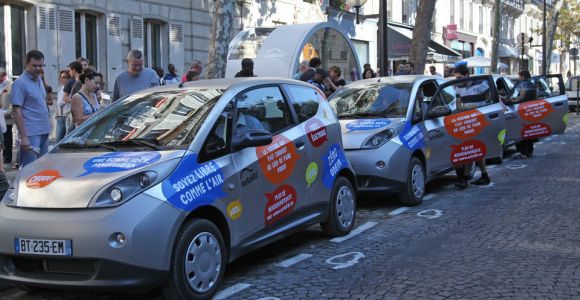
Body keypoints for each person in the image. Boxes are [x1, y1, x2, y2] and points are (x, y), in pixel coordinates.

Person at [10, 50, 52, 167]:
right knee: (28, 170)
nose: (38, 68)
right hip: (31, 133)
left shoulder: (39, 79)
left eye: (41, 65)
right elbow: (16, 110)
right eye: (35, 65)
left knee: (42, 169)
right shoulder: (19, 83)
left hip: (44, 130)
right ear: (26, 64)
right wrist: (23, 137)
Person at [453, 63, 491, 188]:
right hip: (466, 121)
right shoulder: (458, 88)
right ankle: (473, 175)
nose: (457, 80)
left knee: (476, 147)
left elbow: (490, 99)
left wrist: (474, 108)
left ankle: (470, 176)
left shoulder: (481, 84)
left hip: (479, 119)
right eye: (456, 78)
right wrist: (469, 107)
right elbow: (458, 106)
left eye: (459, 77)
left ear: (466, 75)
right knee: (470, 148)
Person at [514, 70, 537, 158]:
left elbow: (521, 97)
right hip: (532, 109)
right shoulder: (532, 84)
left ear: (523, 76)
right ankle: (530, 150)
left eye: (519, 76)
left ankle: (524, 152)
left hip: (523, 109)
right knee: (530, 130)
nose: (518, 78)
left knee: (523, 131)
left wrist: (513, 100)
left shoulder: (523, 84)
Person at [0, 68, 13, 165]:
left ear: (3, 75)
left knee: (7, 137)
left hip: (6, 116)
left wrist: (8, 112)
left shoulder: (11, 85)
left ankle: (7, 157)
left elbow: (14, 101)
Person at [55, 70, 72, 142]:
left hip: (67, 116)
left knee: (67, 139)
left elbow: (60, 103)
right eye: (61, 77)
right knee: (58, 139)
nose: (62, 79)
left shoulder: (71, 88)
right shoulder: (61, 88)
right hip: (60, 116)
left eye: (64, 77)